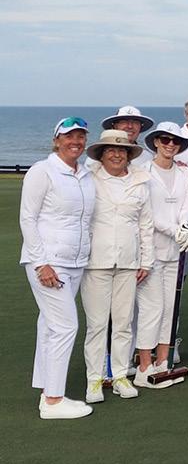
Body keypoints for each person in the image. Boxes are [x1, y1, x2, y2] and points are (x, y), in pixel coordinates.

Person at [20, 117, 96, 419]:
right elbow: (28, 218)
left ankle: (46, 391)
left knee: (50, 325)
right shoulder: (42, 171)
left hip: (76, 262)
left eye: (80, 136)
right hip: (49, 263)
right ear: (57, 140)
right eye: (69, 136)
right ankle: (53, 400)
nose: (75, 142)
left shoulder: (86, 174)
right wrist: (41, 263)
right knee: (65, 326)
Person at [81, 129, 154, 402]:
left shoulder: (140, 182)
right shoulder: (89, 179)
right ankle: (94, 379)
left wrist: (146, 260)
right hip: (95, 262)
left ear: (129, 155)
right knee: (97, 324)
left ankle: (121, 375)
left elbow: (145, 225)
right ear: (101, 155)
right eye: (110, 150)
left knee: (123, 324)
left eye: (121, 150)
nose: (116, 155)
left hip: (128, 262)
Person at [134, 121, 188, 389]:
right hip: (149, 251)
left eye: (175, 141)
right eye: (166, 140)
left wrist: (185, 225)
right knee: (152, 308)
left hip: (176, 252)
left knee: (170, 308)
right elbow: (146, 212)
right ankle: (143, 368)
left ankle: (162, 363)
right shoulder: (143, 172)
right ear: (156, 142)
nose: (171, 145)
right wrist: (173, 230)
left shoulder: (184, 173)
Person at [86, 106, 154, 170]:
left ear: (140, 127)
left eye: (135, 122)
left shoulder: (148, 158)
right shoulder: (95, 158)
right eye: (124, 122)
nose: (130, 126)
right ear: (114, 126)